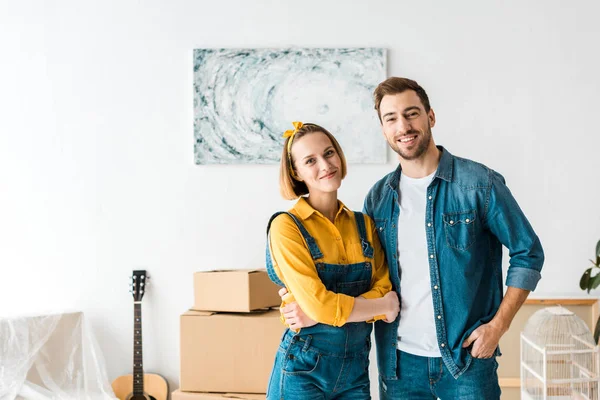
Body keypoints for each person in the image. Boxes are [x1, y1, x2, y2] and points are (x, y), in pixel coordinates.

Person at [363, 77, 545, 399]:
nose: (403, 125)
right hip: (400, 364)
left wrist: (498, 326)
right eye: (391, 118)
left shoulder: (479, 183)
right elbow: (366, 273)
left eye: (411, 113)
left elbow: (527, 251)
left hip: (467, 361)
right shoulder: (379, 199)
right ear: (383, 129)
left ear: (430, 117)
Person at [265, 121, 400, 400]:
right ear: (296, 172)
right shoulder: (287, 227)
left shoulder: (364, 225)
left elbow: (385, 292)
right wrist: (377, 306)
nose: (325, 165)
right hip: (303, 371)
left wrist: (318, 313)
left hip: (355, 373)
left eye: (329, 153)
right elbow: (324, 305)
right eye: (310, 160)